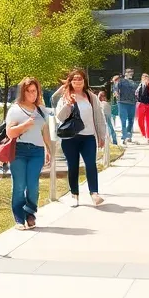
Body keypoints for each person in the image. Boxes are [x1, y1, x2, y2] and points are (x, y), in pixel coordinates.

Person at [3, 77, 54, 229]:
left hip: (37, 152)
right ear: (22, 92)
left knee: (33, 185)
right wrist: (26, 125)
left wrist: (49, 149)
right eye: (28, 91)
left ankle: (30, 213)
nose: (32, 94)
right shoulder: (15, 109)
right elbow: (10, 133)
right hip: (19, 151)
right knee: (19, 185)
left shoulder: (41, 110)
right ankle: (19, 218)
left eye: (34, 91)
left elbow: (45, 131)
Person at [54, 68, 108, 207]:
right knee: (73, 166)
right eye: (74, 79)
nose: (77, 81)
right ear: (70, 82)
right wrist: (68, 105)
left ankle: (94, 193)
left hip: (88, 137)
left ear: (85, 81)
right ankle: (74, 194)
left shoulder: (91, 97)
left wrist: (102, 135)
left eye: (80, 79)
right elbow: (60, 117)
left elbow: (99, 117)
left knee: (91, 164)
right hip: (70, 138)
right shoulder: (65, 97)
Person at [114, 69, 138, 144]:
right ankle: (124, 137)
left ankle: (129, 136)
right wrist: (116, 93)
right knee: (123, 121)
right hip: (122, 103)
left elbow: (137, 92)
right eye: (129, 72)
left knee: (131, 121)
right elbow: (115, 88)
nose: (131, 74)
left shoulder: (134, 83)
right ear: (125, 73)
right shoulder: (121, 81)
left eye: (132, 72)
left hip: (132, 103)